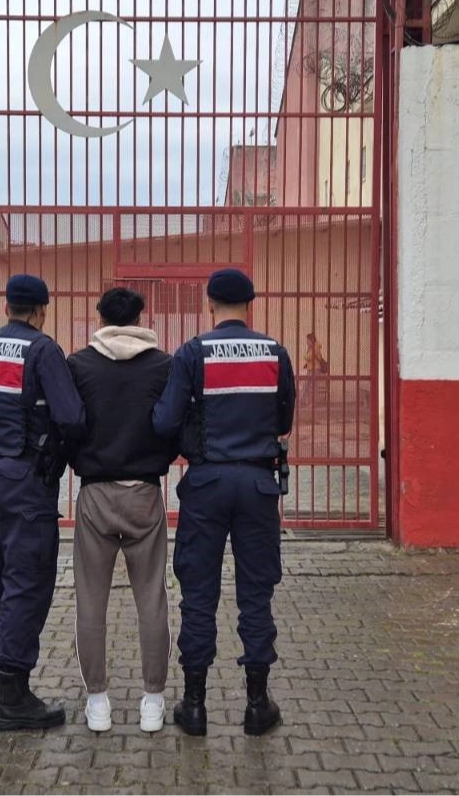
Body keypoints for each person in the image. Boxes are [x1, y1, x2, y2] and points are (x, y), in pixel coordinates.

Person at [152, 268, 295, 737]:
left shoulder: (193, 352)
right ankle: (257, 705)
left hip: (207, 484)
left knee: (199, 593)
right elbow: (284, 419)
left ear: (209, 303)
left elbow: (165, 420)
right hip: (257, 485)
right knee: (256, 593)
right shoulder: (274, 353)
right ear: (250, 304)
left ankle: (194, 706)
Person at [0, 274, 85, 731]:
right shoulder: (42, 350)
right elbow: (71, 417)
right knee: (26, 578)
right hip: (25, 478)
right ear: (40, 311)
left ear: (7, 307)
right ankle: (15, 696)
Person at [66, 287, 177, 734]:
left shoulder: (78, 365)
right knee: (151, 597)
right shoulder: (164, 366)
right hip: (145, 493)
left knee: (90, 599)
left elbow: (69, 423)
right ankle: (153, 701)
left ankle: (98, 702)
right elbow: (172, 423)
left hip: (95, 493)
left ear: (101, 318)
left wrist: (78, 459)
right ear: (139, 317)